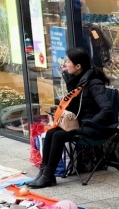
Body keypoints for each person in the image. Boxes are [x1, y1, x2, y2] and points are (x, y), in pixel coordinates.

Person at [29, 47, 113, 189]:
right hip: (81, 123)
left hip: (94, 127)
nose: (65, 64)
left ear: (78, 66)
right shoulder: (77, 81)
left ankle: (48, 175)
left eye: (68, 61)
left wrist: (89, 123)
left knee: (58, 136)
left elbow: (107, 109)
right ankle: (44, 173)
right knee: (51, 133)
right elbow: (76, 107)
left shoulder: (93, 84)